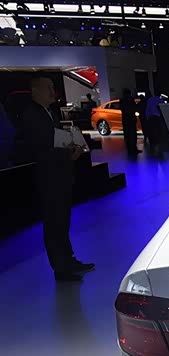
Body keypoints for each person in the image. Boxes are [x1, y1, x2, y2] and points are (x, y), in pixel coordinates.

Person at [18, 76, 93, 281]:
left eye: (53, 87)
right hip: (49, 178)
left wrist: (70, 149)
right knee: (54, 223)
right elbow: (40, 149)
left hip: (60, 176)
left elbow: (55, 141)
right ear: (36, 91)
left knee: (62, 221)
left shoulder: (49, 112)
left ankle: (68, 260)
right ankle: (61, 267)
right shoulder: (32, 115)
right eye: (49, 88)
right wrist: (67, 154)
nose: (53, 92)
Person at [119, 88, 139, 157]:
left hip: (125, 119)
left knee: (127, 134)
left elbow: (121, 108)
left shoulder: (122, 100)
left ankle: (129, 149)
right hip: (131, 119)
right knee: (133, 134)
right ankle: (134, 148)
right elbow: (134, 108)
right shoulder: (131, 100)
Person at [144, 91, 165, 156]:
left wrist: (147, 117)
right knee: (159, 131)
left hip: (151, 117)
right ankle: (159, 143)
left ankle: (152, 143)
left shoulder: (150, 100)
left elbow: (147, 109)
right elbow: (163, 109)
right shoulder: (160, 100)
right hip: (158, 117)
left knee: (152, 131)